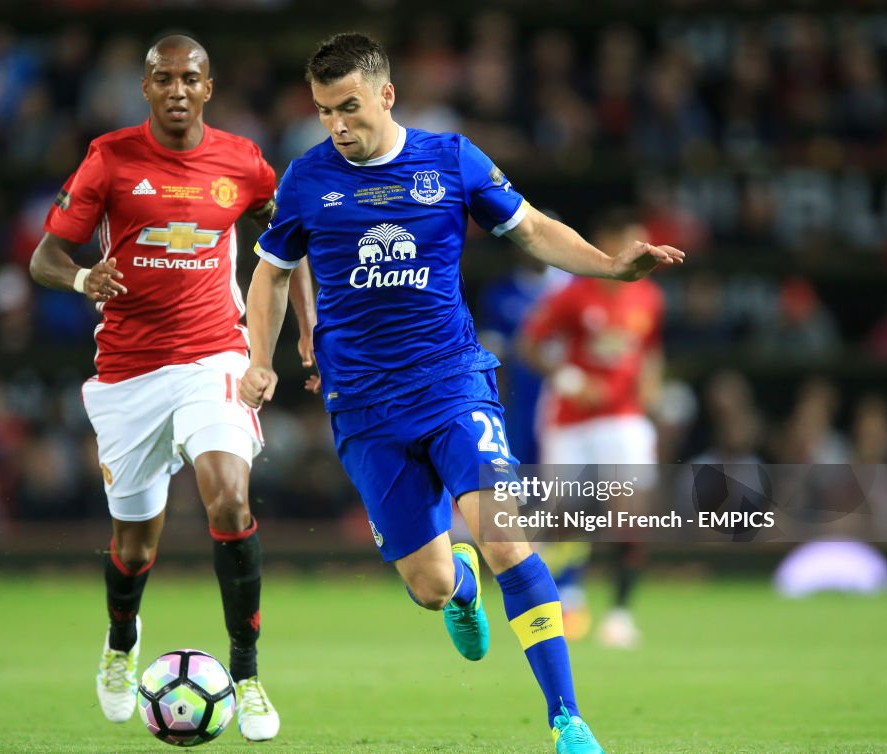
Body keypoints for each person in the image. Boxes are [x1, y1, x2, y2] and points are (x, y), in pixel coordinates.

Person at [239, 33, 683, 753]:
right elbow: (270, 273)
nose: (337, 125)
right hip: (362, 405)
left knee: (506, 535)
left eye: (348, 107)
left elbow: (531, 228)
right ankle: (462, 589)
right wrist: (261, 359)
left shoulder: (450, 160)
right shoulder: (304, 180)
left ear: (385, 95)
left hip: (452, 384)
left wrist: (608, 267)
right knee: (430, 585)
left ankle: (567, 719)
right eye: (324, 111)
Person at [28, 34, 315, 742]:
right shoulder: (110, 158)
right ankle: (121, 644)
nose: (178, 89)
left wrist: (307, 333)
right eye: (164, 79)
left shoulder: (243, 162)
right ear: (147, 88)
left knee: (228, 496)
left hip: (213, 356)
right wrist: (79, 278)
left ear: (209, 88)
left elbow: (289, 247)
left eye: (191, 78)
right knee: (131, 548)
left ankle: (246, 673)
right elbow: (45, 255)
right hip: (127, 373)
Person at [517, 208, 666, 649]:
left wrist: (652, 388)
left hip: (623, 419)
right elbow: (530, 344)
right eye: (637, 246)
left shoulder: (649, 298)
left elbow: (651, 350)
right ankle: (560, 596)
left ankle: (620, 614)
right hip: (570, 421)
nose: (644, 256)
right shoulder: (573, 296)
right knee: (564, 519)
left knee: (629, 516)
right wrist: (570, 380)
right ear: (609, 240)